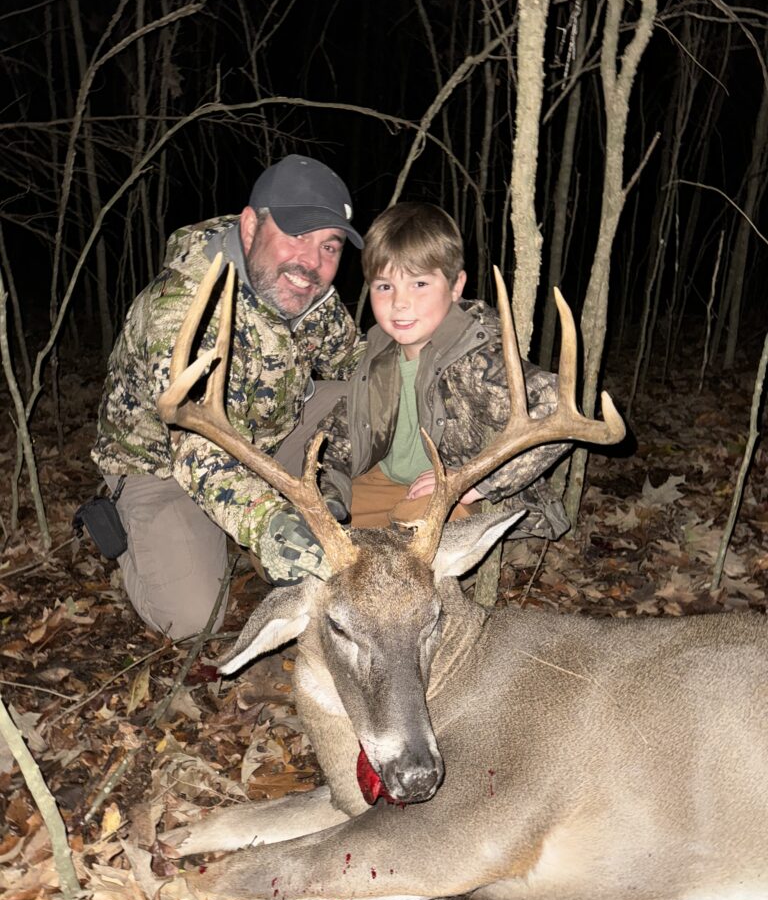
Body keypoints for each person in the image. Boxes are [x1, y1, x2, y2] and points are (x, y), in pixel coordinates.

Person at [91, 154, 364, 638]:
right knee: (192, 619)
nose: (313, 262)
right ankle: (135, 533)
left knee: (360, 397)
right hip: (166, 466)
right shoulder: (178, 310)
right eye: (296, 235)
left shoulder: (309, 290)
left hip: (265, 437)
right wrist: (269, 525)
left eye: (331, 246)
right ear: (250, 225)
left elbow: (359, 367)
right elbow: (195, 445)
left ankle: (318, 502)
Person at [316, 201, 571, 538]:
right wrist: (328, 502)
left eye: (419, 284)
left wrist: (472, 480)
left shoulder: (476, 355)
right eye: (385, 286)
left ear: (455, 286)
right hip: (390, 485)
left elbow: (557, 411)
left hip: (456, 498)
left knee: (416, 530)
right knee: (301, 533)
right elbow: (335, 441)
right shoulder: (376, 356)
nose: (400, 302)